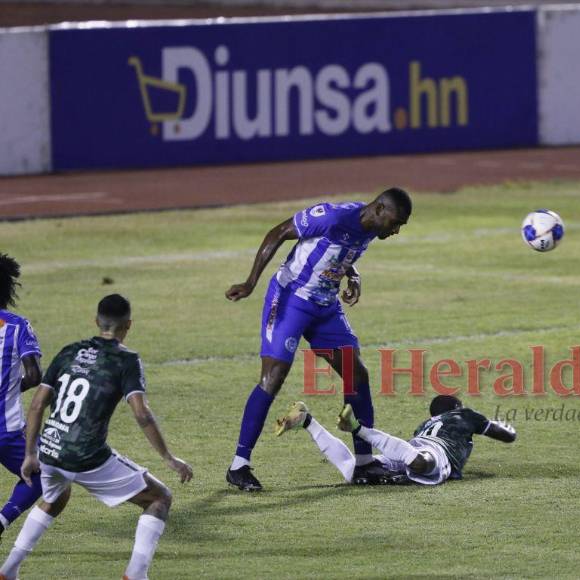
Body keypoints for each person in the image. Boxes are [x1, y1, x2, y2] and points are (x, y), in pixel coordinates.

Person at [225, 188, 412, 491]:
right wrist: (250, 283)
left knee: (356, 374)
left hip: (325, 306)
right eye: (395, 222)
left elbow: (340, 253)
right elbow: (279, 232)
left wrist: (353, 276)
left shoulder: (369, 229)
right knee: (272, 378)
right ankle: (239, 465)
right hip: (291, 299)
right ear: (379, 209)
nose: (396, 230)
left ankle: (364, 464)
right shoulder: (332, 216)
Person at [0, 294, 193, 580]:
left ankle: (9, 569)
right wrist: (169, 458)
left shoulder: (69, 351)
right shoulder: (126, 359)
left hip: (49, 450)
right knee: (159, 498)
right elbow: (141, 413)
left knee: (57, 496)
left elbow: (38, 403)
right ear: (128, 325)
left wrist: (31, 453)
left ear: (96, 322)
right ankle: (136, 575)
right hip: (85, 455)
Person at [275, 395, 517, 486]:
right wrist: (505, 428)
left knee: (354, 472)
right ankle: (359, 429)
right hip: (433, 453)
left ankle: (308, 421)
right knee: (422, 463)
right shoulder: (464, 414)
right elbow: (505, 435)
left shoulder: (425, 425)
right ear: (456, 407)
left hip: (411, 445)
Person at [0, 254, 43, 542]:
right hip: (8, 431)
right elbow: (35, 375)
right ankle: (1, 520)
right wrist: (14, 388)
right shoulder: (16, 326)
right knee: (40, 476)